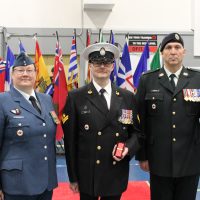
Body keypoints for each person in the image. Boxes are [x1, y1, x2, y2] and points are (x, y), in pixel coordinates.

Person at [62, 43, 144, 200]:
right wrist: (73, 176)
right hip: (87, 174)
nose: (102, 66)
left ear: (113, 66)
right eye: (97, 63)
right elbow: (70, 142)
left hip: (115, 170)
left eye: (106, 63)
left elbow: (137, 133)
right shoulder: (76, 97)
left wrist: (127, 148)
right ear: (90, 66)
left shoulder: (127, 97)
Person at [135, 32, 200, 200]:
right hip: (158, 160)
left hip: (190, 159)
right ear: (162, 53)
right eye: (168, 48)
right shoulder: (147, 80)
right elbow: (139, 121)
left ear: (184, 52)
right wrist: (142, 155)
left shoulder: (197, 79)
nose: (173, 51)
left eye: (177, 47)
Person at [0, 52, 58, 200]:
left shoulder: (46, 100)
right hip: (17, 185)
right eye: (20, 70)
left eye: (29, 70)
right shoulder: (2, 101)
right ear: (12, 75)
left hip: (46, 182)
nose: (25, 74)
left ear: (35, 74)